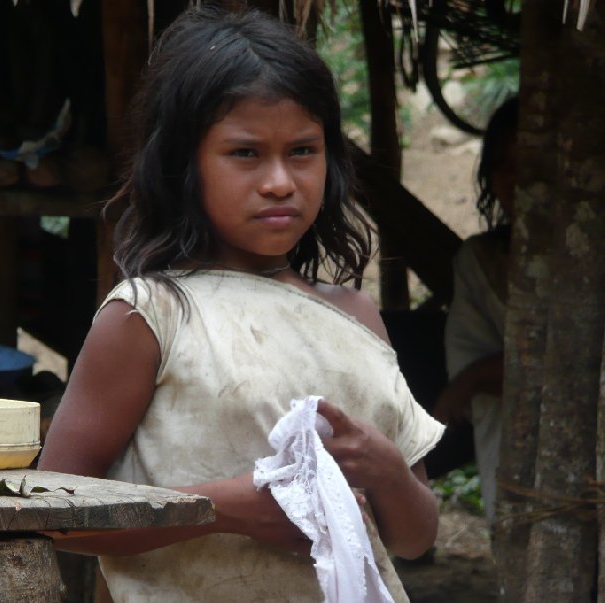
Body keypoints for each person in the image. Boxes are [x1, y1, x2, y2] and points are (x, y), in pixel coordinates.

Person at [39, 7, 445, 602]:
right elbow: (53, 512)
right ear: (184, 165)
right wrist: (218, 510)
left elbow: (414, 538)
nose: (280, 181)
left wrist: (385, 466)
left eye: (303, 151)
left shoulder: (356, 318)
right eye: (245, 154)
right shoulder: (150, 316)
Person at [433, 97, 518, 527]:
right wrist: (474, 378)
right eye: (505, 165)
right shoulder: (480, 262)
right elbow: (469, 360)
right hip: (515, 453)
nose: (519, 179)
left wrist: (474, 379)